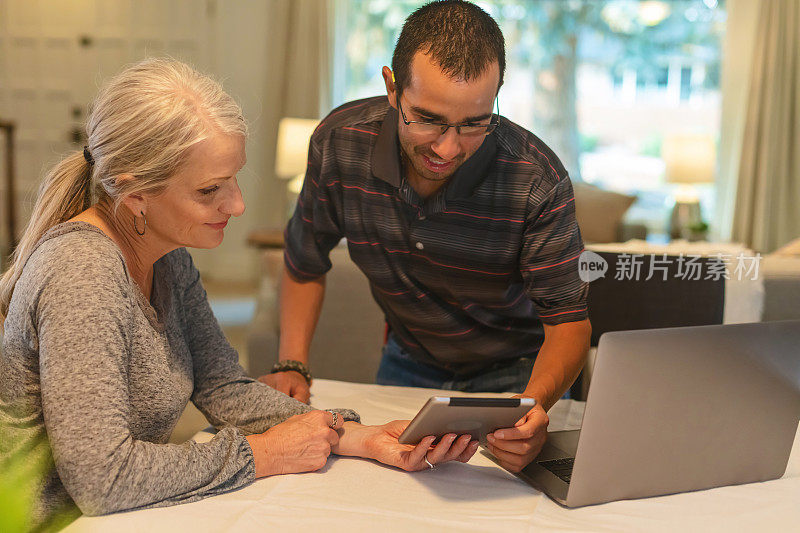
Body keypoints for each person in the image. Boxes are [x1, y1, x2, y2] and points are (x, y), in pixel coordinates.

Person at [0, 58, 478, 528]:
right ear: (135, 193)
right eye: (210, 189)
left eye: (234, 178)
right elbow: (103, 480)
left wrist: (356, 435)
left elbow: (223, 387)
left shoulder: (166, 256)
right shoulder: (82, 274)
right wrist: (263, 453)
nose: (238, 203)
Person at [263, 0, 591, 473]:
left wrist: (532, 408)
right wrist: (292, 364)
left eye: (474, 123)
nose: (447, 147)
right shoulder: (340, 144)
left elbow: (570, 322)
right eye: (430, 119)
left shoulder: (535, 178)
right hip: (407, 358)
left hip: (516, 373)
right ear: (392, 88)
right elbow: (303, 262)